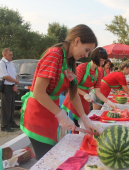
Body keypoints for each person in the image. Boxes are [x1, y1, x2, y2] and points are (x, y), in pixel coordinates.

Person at [20, 24, 101, 160]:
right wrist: (61, 114)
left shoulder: (69, 61)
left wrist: (84, 118)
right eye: (86, 50)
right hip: (37, 113)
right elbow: (39, 92)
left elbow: (73, 92)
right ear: (76, 41)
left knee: (49, 155)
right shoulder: (54, 55)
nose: (86, 55)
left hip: (50, 113)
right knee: (45, 159)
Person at [61, 47, 116, 126]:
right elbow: (72, 86)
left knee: (84, 125)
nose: (103, 63)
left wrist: (108, 102)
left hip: (85, 102)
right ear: (95, 58)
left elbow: (97, 92)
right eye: (101, 60)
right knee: (74, 126)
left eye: (104, 61)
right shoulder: (82, 68)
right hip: (73, 99)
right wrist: (84, 94)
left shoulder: (98, 73)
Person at [0, 48, 19, 132]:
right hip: (5, 86)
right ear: (5, 55)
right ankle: (4, 125)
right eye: (10, 54)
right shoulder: (2, 63)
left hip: (11, 85)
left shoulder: (10, 63)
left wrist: (15, 84)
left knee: (11, 106)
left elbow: (14, 74)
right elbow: (6, 76)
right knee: (5, 106)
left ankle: (11, 122)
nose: (12, 56)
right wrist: (16, 81)